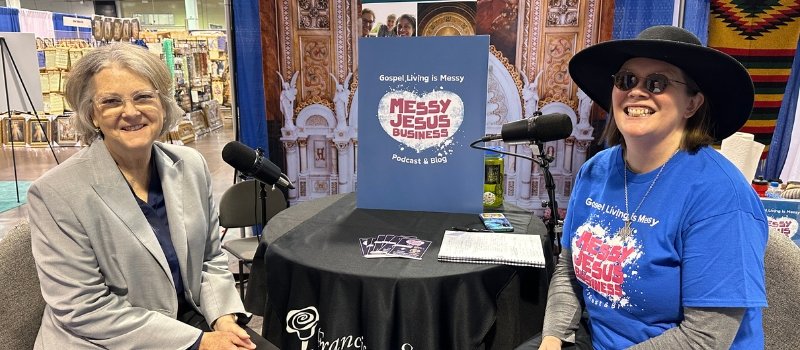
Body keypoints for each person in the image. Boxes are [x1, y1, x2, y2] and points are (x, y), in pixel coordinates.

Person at [533, 26, 768, 349]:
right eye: (626, 80)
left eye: (657, 83)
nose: (637, 92)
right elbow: (569, 270)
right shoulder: (595, 172)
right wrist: (552, 339)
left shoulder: (721, 197)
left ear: (691, 104)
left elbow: (705, 337)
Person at [28, 43, 257, 349]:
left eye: (143, 97)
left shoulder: (190, 165)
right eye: (111, 101)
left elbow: (210, 259)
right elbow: (84, 309)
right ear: (92, 115)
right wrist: (201, 342)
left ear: (162, 105)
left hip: (187, 321)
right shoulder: (55, 192)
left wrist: (224, 318)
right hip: (103, 341)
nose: (131, 112)